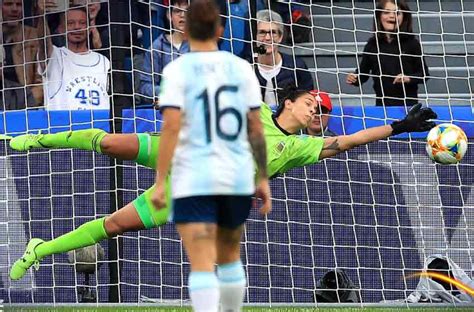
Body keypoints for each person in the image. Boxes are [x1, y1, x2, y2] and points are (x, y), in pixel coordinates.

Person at [8, 88, 437, 283]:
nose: (315, 111)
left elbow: (348, 140)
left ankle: (38, 250)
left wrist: (400, 126)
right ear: (288, 100)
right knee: (106, 142)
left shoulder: (300, 148)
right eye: (311, 101)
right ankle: (34, 139)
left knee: (113, 227)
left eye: (321, 110)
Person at [150, 2, 270, 310]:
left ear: (186, 30)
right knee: (230, 255)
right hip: (235, 175)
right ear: (220, 30)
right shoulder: (242, 68)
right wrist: (263, 176)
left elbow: (171, 126)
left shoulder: (176, 69)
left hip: (194, 176)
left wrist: (161, 181)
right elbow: (255, 128)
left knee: (201, 260)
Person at [346, 0, 429, 106]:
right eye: (386, 12)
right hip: (382, 105)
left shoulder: (412, 43)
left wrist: (408, 78)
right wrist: (354, 78)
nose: (392, 16)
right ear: (379, 16)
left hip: (408, 105)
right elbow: (363, 74)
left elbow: (424, 74)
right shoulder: (372, 44)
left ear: (405, 17)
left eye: (397, 13)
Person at [36, 2, 110, 110]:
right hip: (63, 125)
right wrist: (41, 15)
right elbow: (43, 40)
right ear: (61, 29)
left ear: (90, 28)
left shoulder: (104, 61)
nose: (77, 27)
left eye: (82, 23)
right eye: (70, 23)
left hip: (97, 125)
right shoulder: (54, 56)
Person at [253, 9, 313, 107]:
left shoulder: (297, 66)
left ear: (280, 37)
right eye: (262, 32)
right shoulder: (245, 67)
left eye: (273, 32)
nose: (267, 38)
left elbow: (308, 103)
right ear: (254, 36)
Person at [138, 0, 190, 104]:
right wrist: (168, 92)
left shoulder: (200, 46)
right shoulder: (156, 48)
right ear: (169, 16)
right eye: (177, 11)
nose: (183, 15)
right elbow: (144, 88)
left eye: (187, 11)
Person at [1, 0, 43, 110]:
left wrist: (23, 103)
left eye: (19, 4)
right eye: (8, 4)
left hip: (24, 105)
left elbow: (42, 82)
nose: (15, 9)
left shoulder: (34, 37)